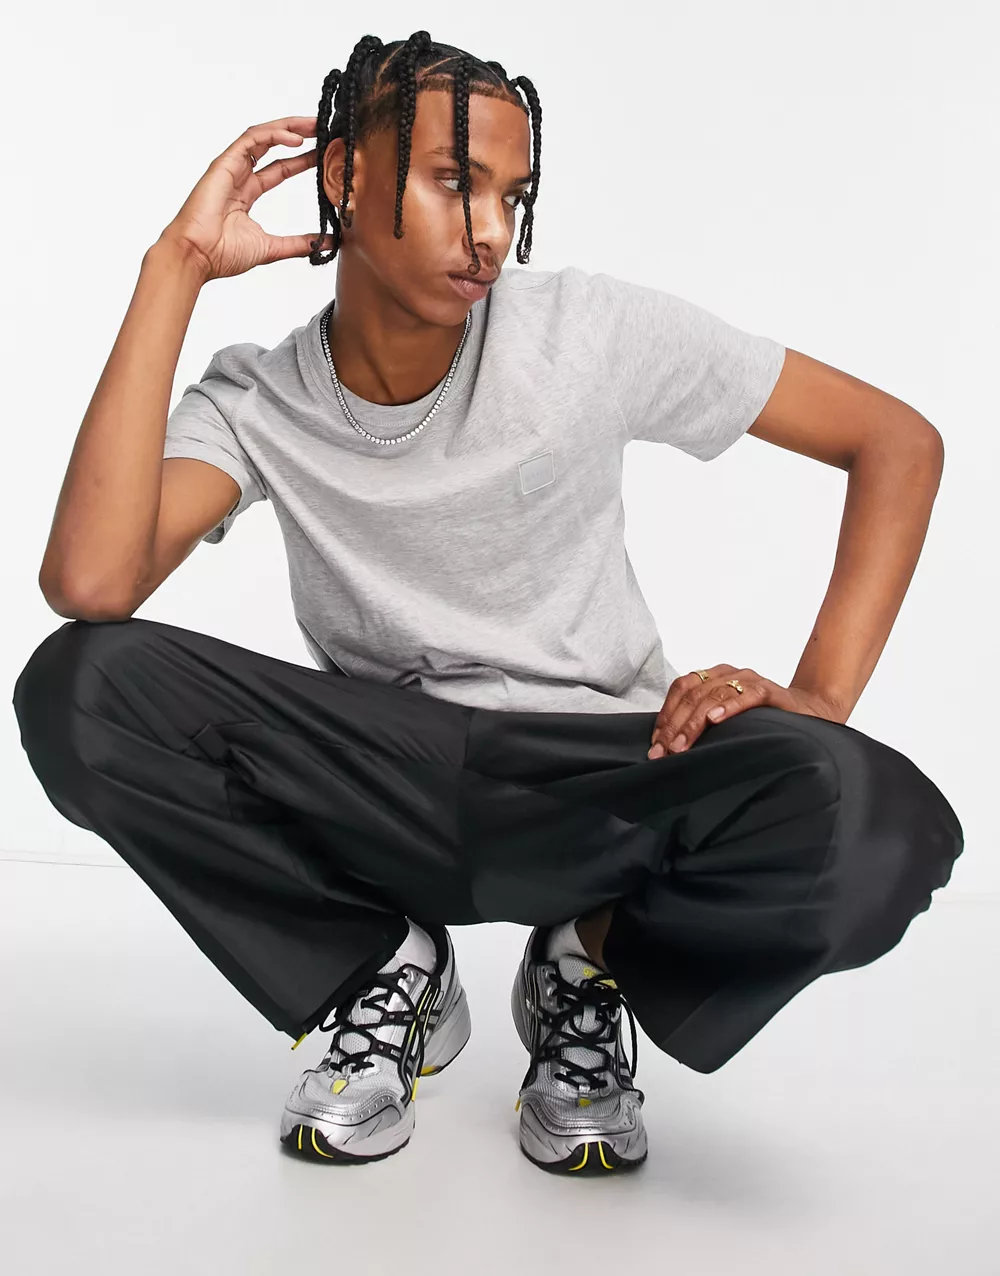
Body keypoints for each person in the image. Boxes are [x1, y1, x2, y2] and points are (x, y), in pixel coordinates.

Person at [12, 30, 963, 1178]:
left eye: (510, 195)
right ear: (345, 175)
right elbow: (92, 582)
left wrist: (816, 696)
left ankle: (588, 962)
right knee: (79, 686)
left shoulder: (585, 330)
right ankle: (382, 970)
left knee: (876, 819)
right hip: (389, 781)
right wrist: (174, 266)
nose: (489, 232)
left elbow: (894, 443)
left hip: (605, 776)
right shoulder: (259, 399)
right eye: (452, 181)